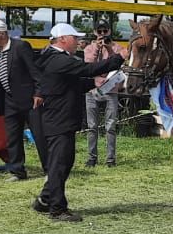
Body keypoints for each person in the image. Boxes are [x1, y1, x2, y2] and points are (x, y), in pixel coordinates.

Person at [32, 23, 125, 222]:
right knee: (60, 164)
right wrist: (119, 58)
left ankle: (45, 199)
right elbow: (87, 68)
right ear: (62, 39)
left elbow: (72, 83)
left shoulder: (56, 59)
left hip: (60, 118)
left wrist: (94, 82)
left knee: (64, 162)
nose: (78, 42)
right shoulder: (57, 59)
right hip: (59, 119)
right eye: (74, 38)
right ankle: (57, 209)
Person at [0, 19, 43, 181]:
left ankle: (50, 169)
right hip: (10, 101)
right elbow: (0, 81)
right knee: (12, 137)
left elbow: (34, 71)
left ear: (1, 34)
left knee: (39, 135)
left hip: (29, 100)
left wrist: (38, 93)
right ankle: (17, 170)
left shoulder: (20, 47)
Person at [83, 18, 128, 167]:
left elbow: (116, 63)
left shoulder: (117, 48)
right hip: (92, 90)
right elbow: (90, 65)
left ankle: (110, 159)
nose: (102, 34)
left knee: (110, 126)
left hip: (111, 90)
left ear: (109, 31)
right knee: (92, 126)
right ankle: (92, 158)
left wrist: (108, 48)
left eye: (105, 31)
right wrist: (97, 47)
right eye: (99, 31)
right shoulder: (88, 48)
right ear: (95, 32)